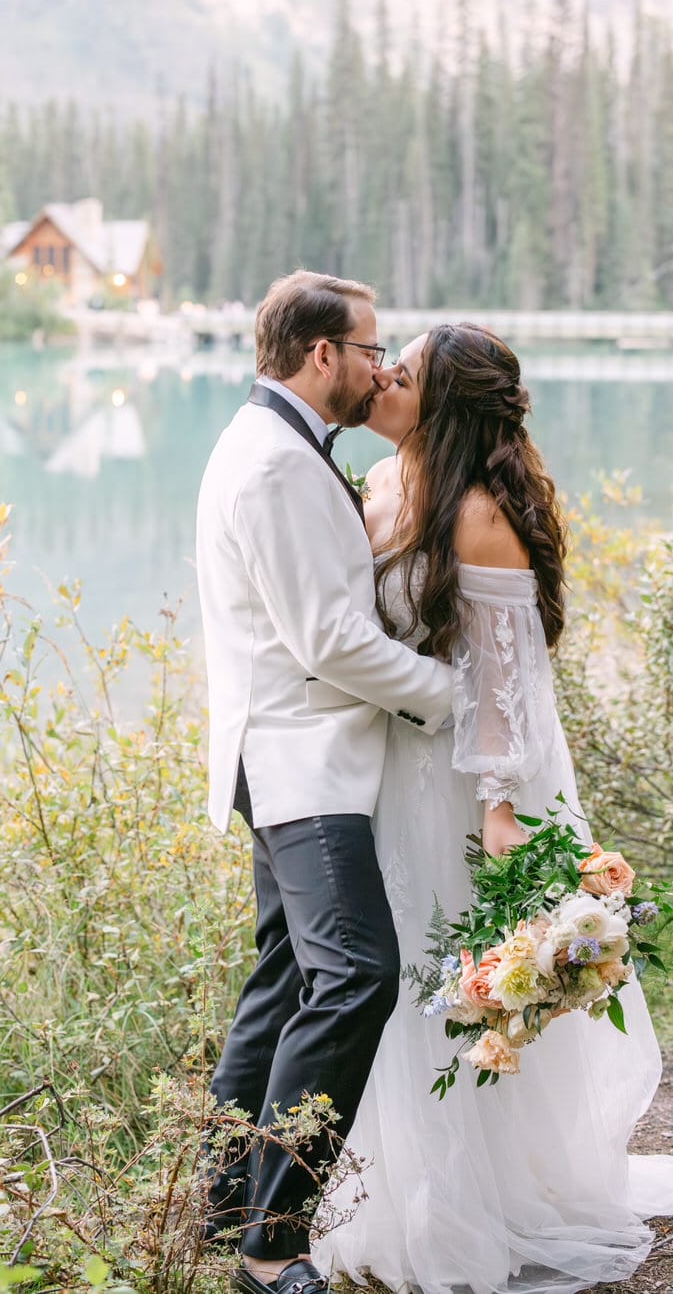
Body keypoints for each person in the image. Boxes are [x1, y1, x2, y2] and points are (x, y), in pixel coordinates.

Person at [315, 322, 673, 1294]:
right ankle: (388, 1199)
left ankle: (461, 1215)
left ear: (443, 403)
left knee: (446, 978)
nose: (386, 374)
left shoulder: (477, 512)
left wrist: (495, 806)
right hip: (383, 770)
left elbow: (503, 679)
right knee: (389, 988)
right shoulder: (383, 481)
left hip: (462, 785)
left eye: (408, 371)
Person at [195, 271, 455, 1294]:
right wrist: (444, 695)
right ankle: (270, 1244)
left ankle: (217, 1207)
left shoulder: (282, 448)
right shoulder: (270, 465)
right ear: (318, 356)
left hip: (293, 756)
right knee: (356, 977)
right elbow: (328, 639)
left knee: (286, 979)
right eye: (365, 347)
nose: (377, 364)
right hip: (300, 762)